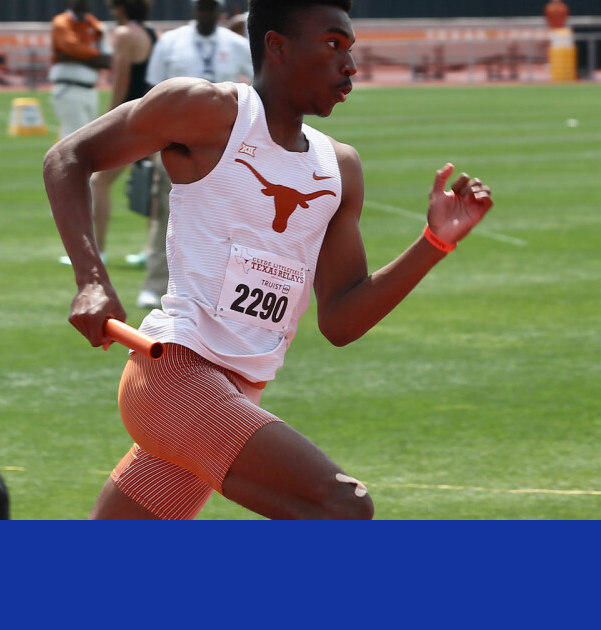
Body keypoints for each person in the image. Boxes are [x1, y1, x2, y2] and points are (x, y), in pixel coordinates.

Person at [43, 0, 495, 520]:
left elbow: (342, 319)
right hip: (173, 376)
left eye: (351, 49)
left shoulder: (338, 167)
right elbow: (67, 157)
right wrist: (91, 280)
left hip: (237, 393)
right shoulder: (205, 110)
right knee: (342, 507)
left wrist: (433, 243)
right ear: (276, 46)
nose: (349, 65)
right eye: (332, 44)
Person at [134, 0, 254, 309]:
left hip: (225, 146)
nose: (206, 14)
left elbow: (259, 87)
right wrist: (148, 144)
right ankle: (156, 284)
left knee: (228, 218)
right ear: (193, 10)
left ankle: (221, 288)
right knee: (169, 214)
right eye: (201, 8)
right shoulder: (171, 43)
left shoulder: (236, 44)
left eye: (211, 8)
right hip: (175, 143)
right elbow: (150, 95)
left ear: (219, 11)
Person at [57, 0, 155, 269]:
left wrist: (109, 118)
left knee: (99, 182)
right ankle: (150, 249)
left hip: (132, 120)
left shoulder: (123, 35)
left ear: (121, 9)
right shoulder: (151, 33)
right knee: (156, 190)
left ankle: (98, 250)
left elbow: (121, 81)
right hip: (154, 116)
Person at [49, 0, 110, 142]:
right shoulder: (62, 22)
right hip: (69, 87)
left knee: (88, 137)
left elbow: (107, 59)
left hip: (90, 89)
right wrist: (94, 58)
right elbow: (72, 47)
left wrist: (74, 57)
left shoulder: (94, 24)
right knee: (75, 137)